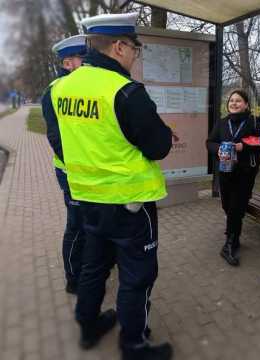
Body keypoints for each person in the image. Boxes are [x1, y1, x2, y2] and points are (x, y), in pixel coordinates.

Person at [42, 12, 173, 360]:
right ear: (118, 46)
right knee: (137, 276)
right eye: (134, 47)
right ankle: (134, 345)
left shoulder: (61, 88)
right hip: (129, 202)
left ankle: (88, 325)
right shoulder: (125, 91)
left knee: (93, 266)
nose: (134, 54)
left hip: (86, 196)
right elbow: (159, 146)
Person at [42, 34, 87, 294]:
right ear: (68, 62)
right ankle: (73, 276)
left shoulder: (86, 86)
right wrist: (77, 162)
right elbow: (55, 135)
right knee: (77, 223)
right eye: (84, 58)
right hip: (71, 171)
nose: (89, 62)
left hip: (89, 170)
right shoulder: (55, 90)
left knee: (90, 221)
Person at [206, 89, 260, 266]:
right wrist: (219, 149)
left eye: (238, 101)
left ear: (246, 104)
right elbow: (210, 142)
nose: (234, 103)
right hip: (225, 171)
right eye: (231, 101)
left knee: (236, 207)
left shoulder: (254, 121)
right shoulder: (222, 123)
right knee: (227, 205)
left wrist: (242, 147)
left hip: (245, 173)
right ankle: (233, 234)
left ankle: (230, 243)